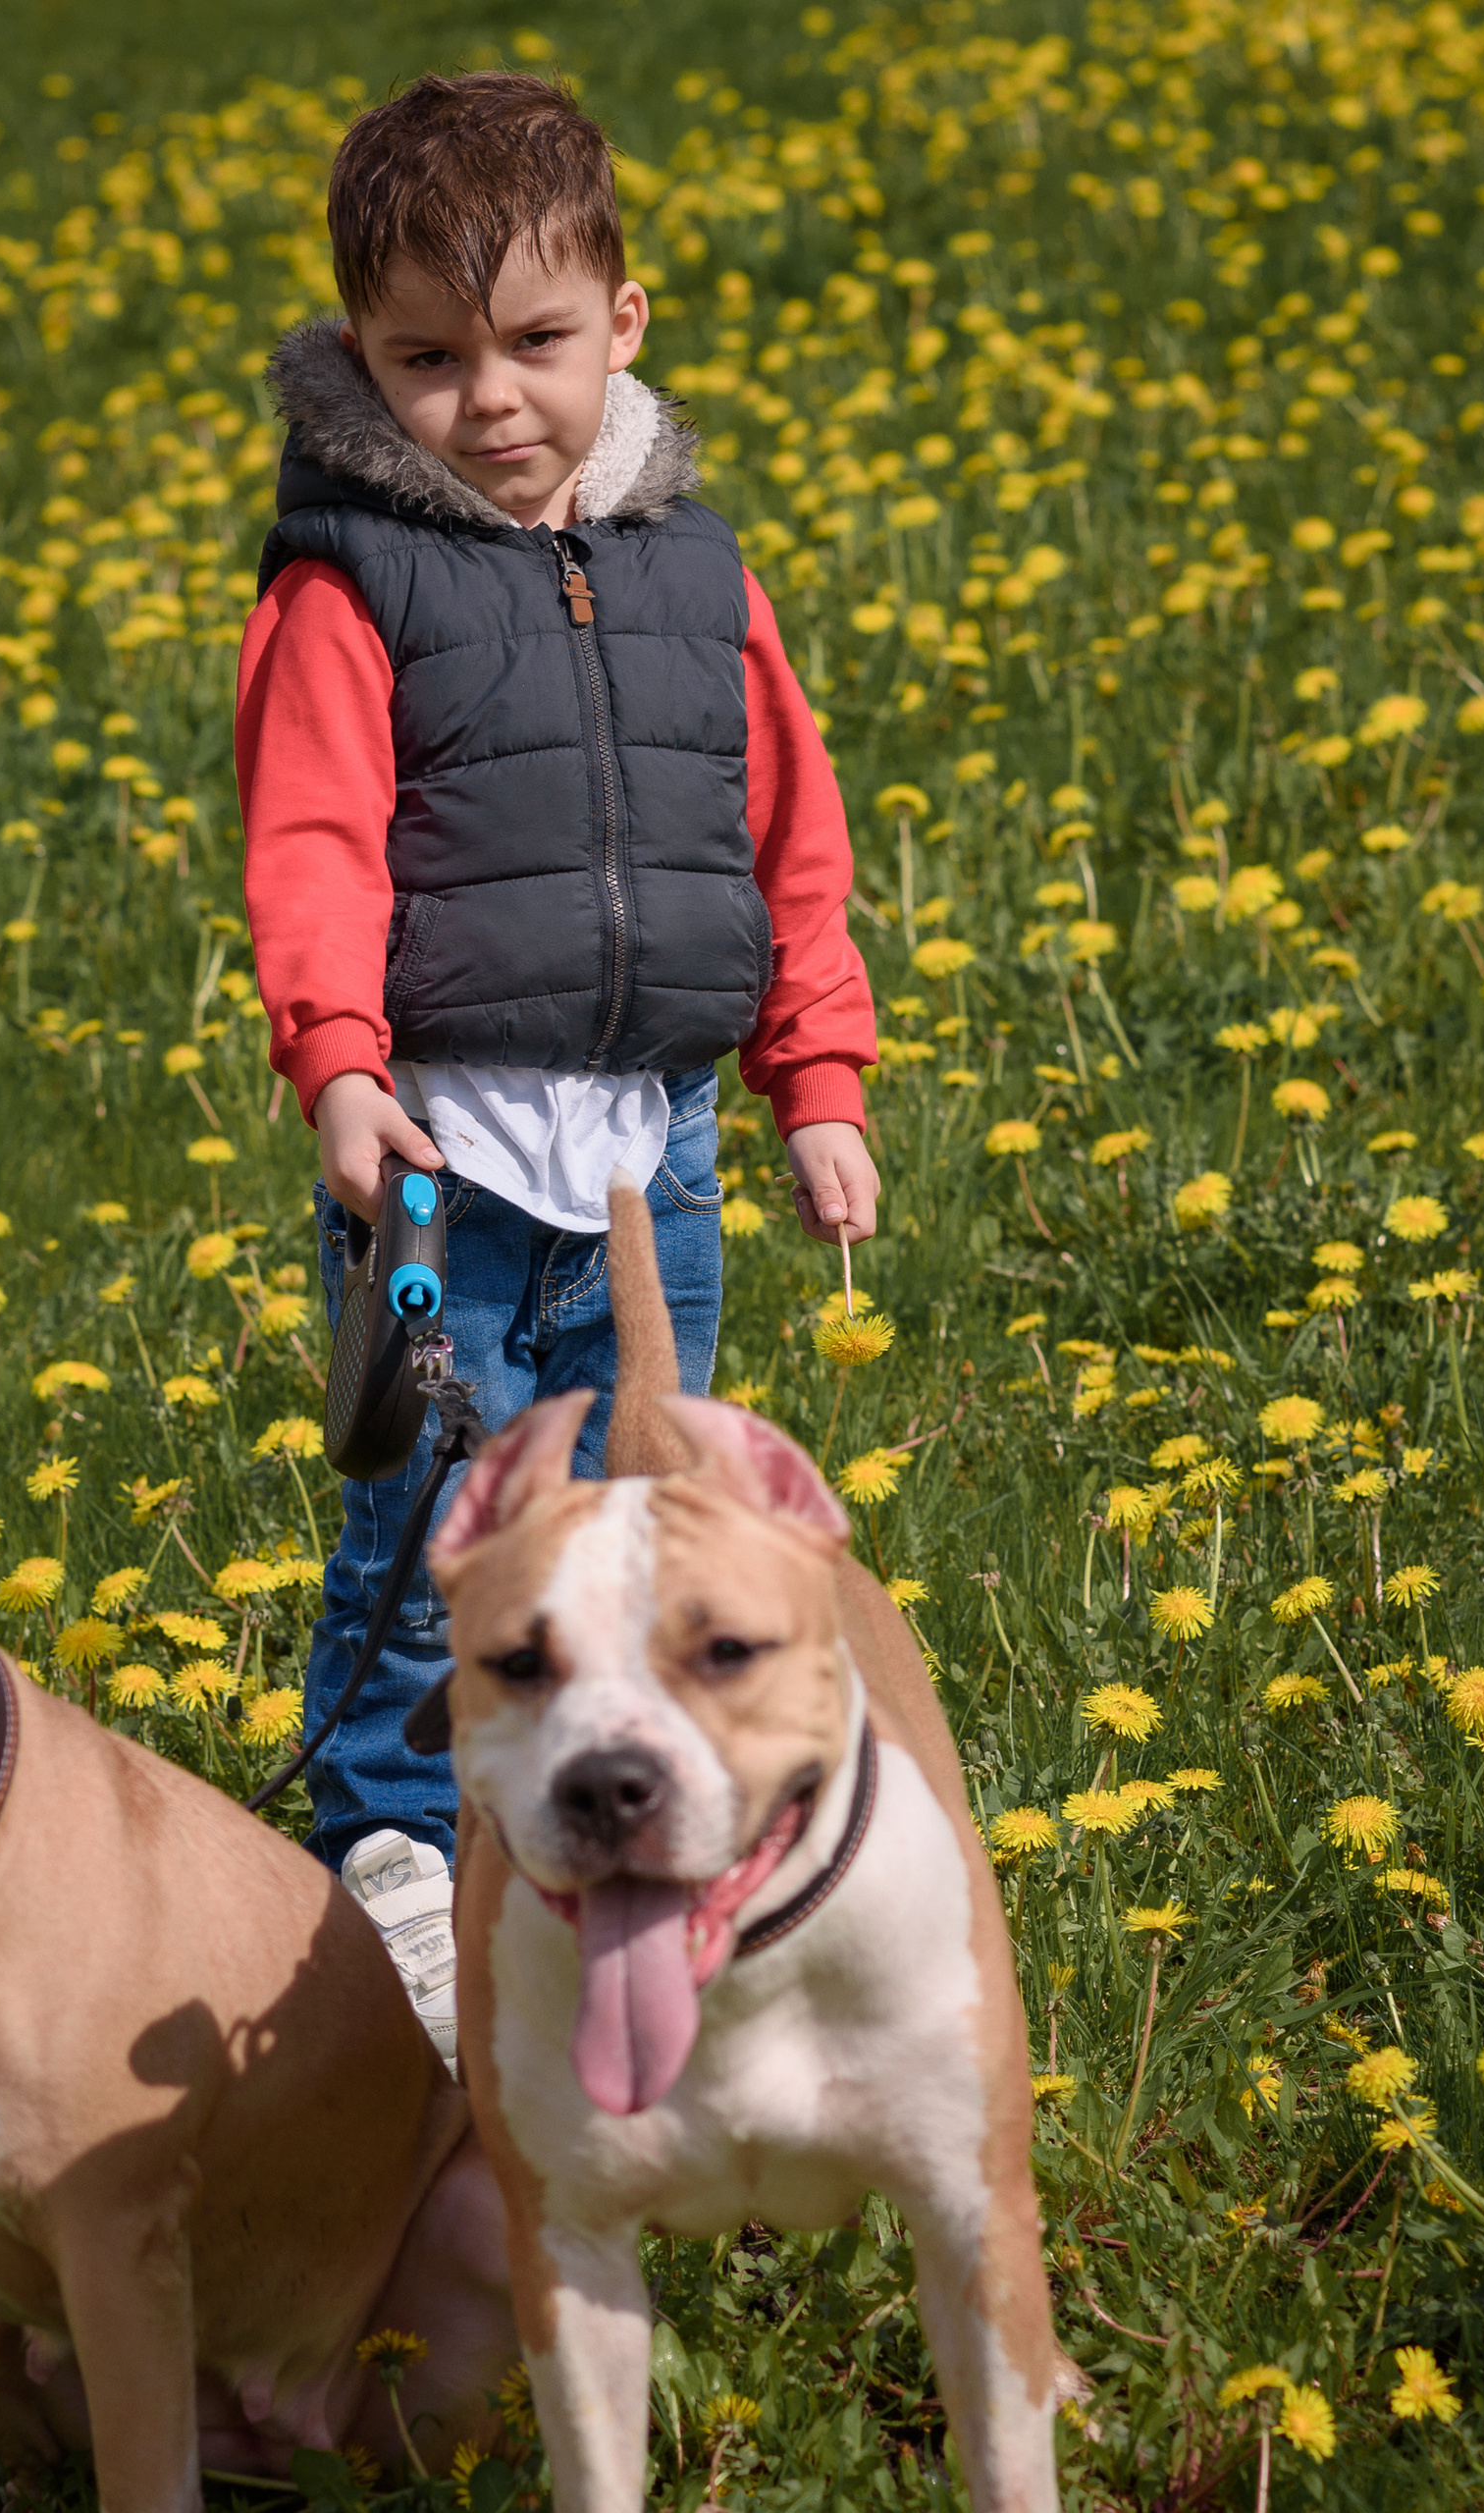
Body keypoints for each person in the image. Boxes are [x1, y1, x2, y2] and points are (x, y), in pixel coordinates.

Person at [235, 71, 879, 2066]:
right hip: (440, 1155)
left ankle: (617, 1829)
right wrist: (338, 1069)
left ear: (624, 321)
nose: (489, 397)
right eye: (426, 360)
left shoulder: (697, 575)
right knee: (437, 1518)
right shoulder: (349, 580)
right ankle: (395, 1852)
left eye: (533, 341)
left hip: (653, 1148)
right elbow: (313, 845)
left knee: (639, 1498)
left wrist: (816, 1078)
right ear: (363, 354)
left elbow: (784, 842)